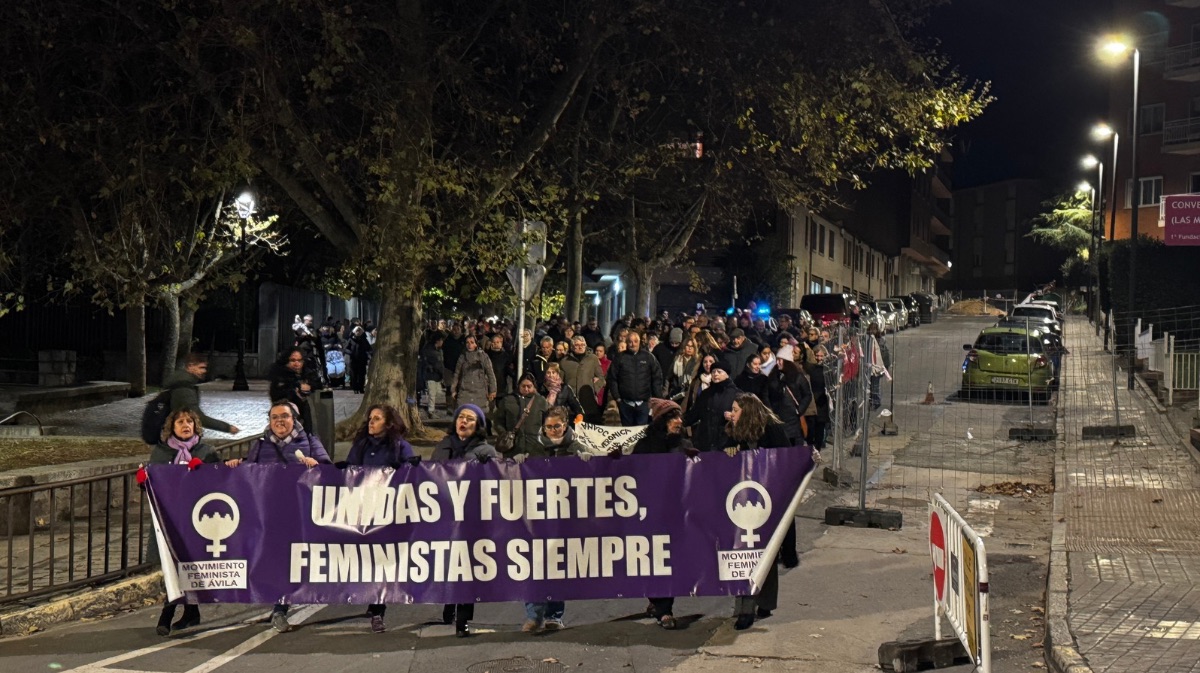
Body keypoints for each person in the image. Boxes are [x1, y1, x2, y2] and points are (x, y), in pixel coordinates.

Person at [225, 402, 332, 633]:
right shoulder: (261, 445)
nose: (279, 421)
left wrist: (317, 466)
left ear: (294, 419)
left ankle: (280, 609)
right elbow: (248, 473)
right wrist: (237, 465)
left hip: (299, 516)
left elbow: (329, 473)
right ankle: (277, 605)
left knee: (288, 563)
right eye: (274, 417)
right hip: (267, 515)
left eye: (284, 416)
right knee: (271, 562)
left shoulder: (310, 443)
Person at [342, 404, 416, 633]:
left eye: (376, 419)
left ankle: (378, 610)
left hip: (387, 512)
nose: (371, 422)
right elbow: (350, 470)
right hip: (363, 510)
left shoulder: (400, 447)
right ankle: (370, 598)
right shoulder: (361, 445)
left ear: (388, 423)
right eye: (370, 418)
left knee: (380, 562)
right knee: (364, 560)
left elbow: (412, 474)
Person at [147, 409, 219, 636]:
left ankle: (172, 615)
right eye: (180, 421)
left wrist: (204, 472)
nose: (185, 425)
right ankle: (186, 613)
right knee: (173, 566)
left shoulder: (207, 452)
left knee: (189, 565)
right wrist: (144, 481)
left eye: (190, 421)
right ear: (172, 427)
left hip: (198, 519)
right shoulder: (161, 452)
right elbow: (154, 484)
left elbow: (220, 483)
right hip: (170, 519)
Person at [723, 393, 790, 630]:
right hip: (742, 503)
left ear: (748, 412)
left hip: (767, 501)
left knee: (765, 554)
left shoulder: (772, 430)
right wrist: (730, 451)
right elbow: (724, 456)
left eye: (735, 409)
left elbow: (786, 461)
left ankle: (763, 603)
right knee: (743, 553)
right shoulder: (734, 430)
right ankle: (744, 608)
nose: (731, 414)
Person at [521, 406, 591, 633]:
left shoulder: (575, 447)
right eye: (548, 427)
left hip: (564, 518)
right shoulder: (533, 446)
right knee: (535, 566)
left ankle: (554, 616)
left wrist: (588, 462)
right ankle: (534, 616)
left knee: (558, 566)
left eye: (557, 426)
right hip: (537, 517)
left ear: (566, 424)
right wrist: (517, 461)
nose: (552, 431)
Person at [431, 404, 497, 637]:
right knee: (448, 564)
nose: (464, 421)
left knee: (466, 568)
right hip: (445, 516)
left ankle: (463, 620)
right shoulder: (443, 446)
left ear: (478, 425)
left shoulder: (486, 451)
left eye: (470, 419)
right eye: (461, 417)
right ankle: (449, 603)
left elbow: (497, 480)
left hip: (471, 518)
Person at [629, 398, 693, 630]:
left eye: (679, 418)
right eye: (672, 418)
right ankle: (660, 605)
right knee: (653, 560)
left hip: (676, 513)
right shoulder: (645, 446)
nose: (678, 422)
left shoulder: (684, 444)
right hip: (651, 513)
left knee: (670, 561)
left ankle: (663, 606)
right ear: (661, 422)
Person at [162, 353, 240, 436]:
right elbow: (198, 417)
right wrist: (227, 428)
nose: (204, 371)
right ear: (190, 366)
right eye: (201, 367)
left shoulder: (182, 383)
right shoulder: (184, 388)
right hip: (179, 435)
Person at [607, 332, 664, 427]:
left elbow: (657, 378)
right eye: (630, 342)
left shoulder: (648, 357)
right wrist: (617, 397)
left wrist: (657, 399)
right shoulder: (620, 358)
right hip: (625, 403)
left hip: (644, 403)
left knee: (641, 433)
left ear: (639, 342)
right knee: (627, 433)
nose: (632, 344)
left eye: (635, 341)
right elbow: (612, 378)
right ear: (626, 342)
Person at [684, 362, 740, 452]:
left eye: (719, 372)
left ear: (727, 374)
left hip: (727, 444)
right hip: (705, 442)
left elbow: (746, 417)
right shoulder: (705, 393)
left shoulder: (736, 394)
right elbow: (694, 414)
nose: (715, 374)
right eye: (713, 372)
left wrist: (734, 417)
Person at [494, 373, 549, 458]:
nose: (526, 389)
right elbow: (498, 421)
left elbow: (547, 422)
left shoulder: (540, 401)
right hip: (512, 449)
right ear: (518, 386)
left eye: (529, 386)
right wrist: (504, 434)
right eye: (523, 386)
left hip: (535, 449)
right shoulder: (507, 400)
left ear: (534, 386)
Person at [268, 348, 320, 431]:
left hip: (305, 420)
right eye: (293, 360)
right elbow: (277, 396)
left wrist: (310, 387)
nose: (297, 364)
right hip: (286, 420)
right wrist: (295, 391)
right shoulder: (280, 378)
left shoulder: (307, 375)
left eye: (299, 361)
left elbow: (317, 385)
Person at [560, 336, 605, 423]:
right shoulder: (564, 361)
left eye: (582, 344)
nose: (580, 347)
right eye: (577, 345)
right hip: (571, 403)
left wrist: (594, 389)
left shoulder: (593, 358)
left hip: (588, 401)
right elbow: (561, 383)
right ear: (572, 347)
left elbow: (601, 378)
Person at [450, 335, 497, 413]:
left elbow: (490, 373)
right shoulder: (462, 357)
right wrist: (453, 389)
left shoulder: (483, 356)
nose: (469, 345)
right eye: (467, 342)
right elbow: (457, 374)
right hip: (465, 391)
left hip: (480, 392)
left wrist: (493, 390)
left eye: (472, 342)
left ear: (476, 344)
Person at [804, 346, 832, 449]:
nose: (819, 358)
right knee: (810, 429)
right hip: (811, 402)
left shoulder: (828, 370)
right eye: (817, 355)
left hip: (822, 402)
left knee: (820, 428)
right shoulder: (809, 368)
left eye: (821, 356)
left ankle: (818, 449)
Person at [420, 332, 446, 417]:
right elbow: (437, 364)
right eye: (441, 340)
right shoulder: (432, 351)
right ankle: (431, 411)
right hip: (431, 375)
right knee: (432, 394)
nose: (442, 342)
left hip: (435, 375)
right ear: (437, 341)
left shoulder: (437, 350)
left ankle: (431, 410)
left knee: (435, 393)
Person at [346, 325, 372, 394]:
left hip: (362, 360)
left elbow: (369, 348)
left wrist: (369, 353)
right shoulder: (351, 340)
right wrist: (350, 352)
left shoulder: (364, 340)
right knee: (354, 375)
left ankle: (361, 388)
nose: (358, 332)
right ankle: (355, 388)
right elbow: (346, 348)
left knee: (361, 375)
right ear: (354, 332)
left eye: (359, 331)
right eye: (357, 331)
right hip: (353, 360)